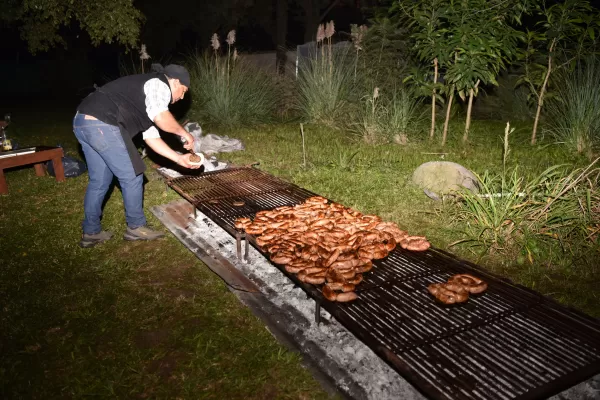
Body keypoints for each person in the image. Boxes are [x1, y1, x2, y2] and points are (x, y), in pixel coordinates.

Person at [73, 64, 200, 248]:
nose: (181, 97)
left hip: (83, 122)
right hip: (103, 123)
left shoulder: (146, 98)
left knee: (100, 181)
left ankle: (91, 231)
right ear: (175, 81)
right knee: (132, 176)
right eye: (183, 91)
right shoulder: (159, 84)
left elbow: (152, 138)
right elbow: (161, 117)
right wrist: (184, 133)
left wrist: (179, 158)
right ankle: (136, 227)